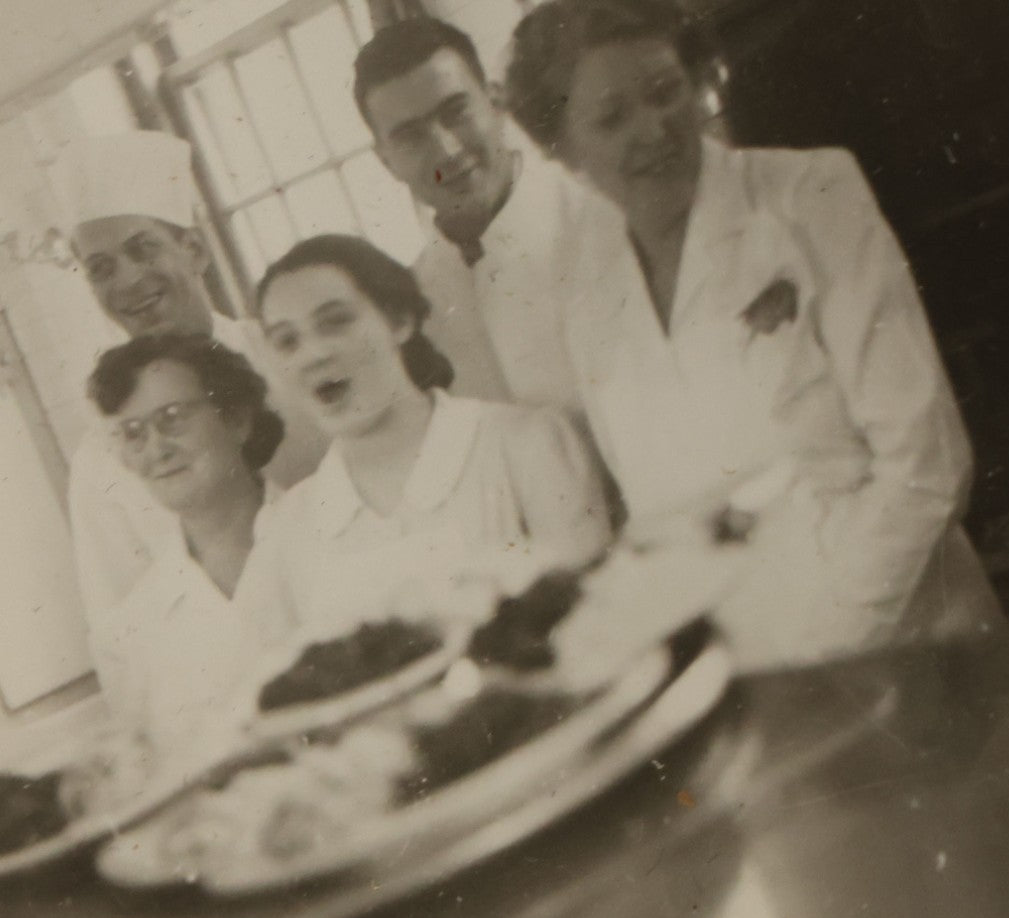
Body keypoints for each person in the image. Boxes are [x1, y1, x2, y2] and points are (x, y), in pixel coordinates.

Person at [505, 0, 1002, 666]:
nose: (654, 129)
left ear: (700, 80)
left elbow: (926, 461)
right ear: (565, 151)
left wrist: (833, 637)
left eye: (664, 89)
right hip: (745, 663)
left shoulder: (810, 195)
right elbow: (658, 513)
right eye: (612, 117)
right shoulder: (586, 292)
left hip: (903, 630)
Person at [250, 234, 612, 636]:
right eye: (287, 341)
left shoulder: (524, 444)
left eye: (335, 322)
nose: (313, 354)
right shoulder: (289, 526)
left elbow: (598, 626)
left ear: (399, 321)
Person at [54, 130, 326, 630]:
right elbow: (122, 639)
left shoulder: (292, 359)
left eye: (143, 249)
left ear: (194, 249)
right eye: (101, 268)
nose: (129, 281)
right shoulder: (102, 457)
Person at [353, 16, 614, 408]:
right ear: (385, 161)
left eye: (455, 112)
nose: (447, 151)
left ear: (495, 101)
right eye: (410, 137)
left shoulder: (605, 220)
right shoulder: (412, 308)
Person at [85, 333, 283, 762]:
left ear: (237, 420)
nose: (157, 448)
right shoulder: (128, 635)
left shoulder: (337, 530)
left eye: (172, 417)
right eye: (133, 433)